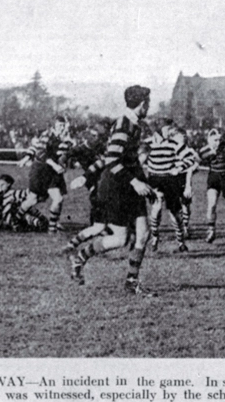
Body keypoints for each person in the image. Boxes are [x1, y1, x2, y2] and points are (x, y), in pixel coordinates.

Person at [68, 85, 156, 295]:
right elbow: (112, 160)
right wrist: (135, 182)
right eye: (148, 103)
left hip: (129, 185)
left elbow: (129, 160)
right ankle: (79, 258)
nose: (149, 106)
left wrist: (144, 183)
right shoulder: (124, 124)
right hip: (116, 187)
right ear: (142, 104)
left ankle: (132, 283)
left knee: (143, 234)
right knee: (120, 239)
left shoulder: (134, 124)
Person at [142, 119, 194, 252]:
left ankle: (181, 241)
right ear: (159, 130)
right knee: (157, 207)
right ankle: (154, 237)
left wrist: (179, 167)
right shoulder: (147, 143)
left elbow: (190, 159)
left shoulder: (174, 144)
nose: (170, 132)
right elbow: (139, 159)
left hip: (170, 181)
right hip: (154, 179)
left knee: (175, 215)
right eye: (167, 129)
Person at [17, 116, 74, 233]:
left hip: (53, 172)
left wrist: (66, 143)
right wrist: (55, 165)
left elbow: (65, 152)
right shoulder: (47, 135)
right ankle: (16, 217)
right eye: (59, 125)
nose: (62, 128)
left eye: (63, 125)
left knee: (58, 198)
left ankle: (52, 228)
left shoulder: (63, 137)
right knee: (33, 200)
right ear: (53, 126)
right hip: (40, 171)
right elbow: (41, 153)